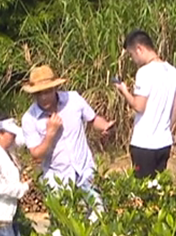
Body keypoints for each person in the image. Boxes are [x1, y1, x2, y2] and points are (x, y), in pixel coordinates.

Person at [19, 65, 115, 222]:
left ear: (55, 88)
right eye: (39, 93)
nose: (44, 97)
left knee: (99, 218)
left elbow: (93, 119)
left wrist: (104, 126)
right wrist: (50, 134)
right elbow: (36, 154)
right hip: (58, 180)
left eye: (47, 91)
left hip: (86, 172)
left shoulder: (74, 100)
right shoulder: (29, 118)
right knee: (66, 226)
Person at [116, 29, 176, 179]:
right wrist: (167, 130)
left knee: (142, 192)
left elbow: (139, 106)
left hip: (144, 144)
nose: (133, 60)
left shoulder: (144, 72)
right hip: (164, 142)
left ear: (139, 49)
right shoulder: (173, 71)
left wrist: (125, 91)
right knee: (158, 188)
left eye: (132, 55)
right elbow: (175, 108)